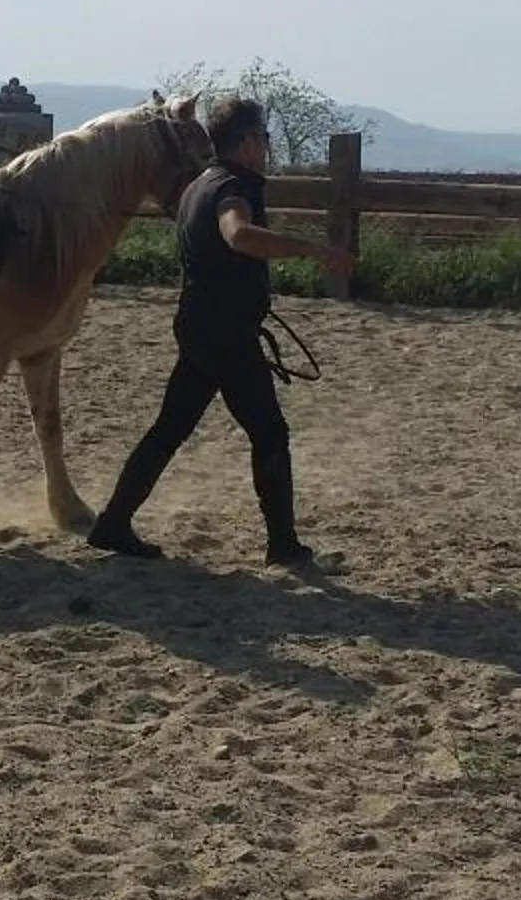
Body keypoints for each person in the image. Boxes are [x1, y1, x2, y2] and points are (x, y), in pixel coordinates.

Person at [88, 94, 352, 565]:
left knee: (170, 429)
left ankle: (112, 523)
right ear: (248, 141)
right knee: (269, 432)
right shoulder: (236, 187)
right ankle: (283, 546)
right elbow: (237, 234)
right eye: (265, 138)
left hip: (199, 324)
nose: (266, 147)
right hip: (227, 332)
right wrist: (309, 250)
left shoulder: (197, 185)